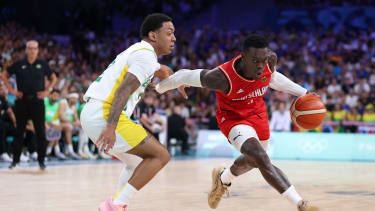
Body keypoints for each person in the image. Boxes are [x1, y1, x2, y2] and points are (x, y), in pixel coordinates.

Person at [156, 34, 319, 211]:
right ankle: (300, 203)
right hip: (233, 119)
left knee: (254, 159)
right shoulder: (220, 78)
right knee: (261, 158)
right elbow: (184, 76)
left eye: (262, 60)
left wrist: (304, 92)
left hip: (257, 114)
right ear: (243, 56)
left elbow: (272, 78)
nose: (260, 65)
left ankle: (223, 179)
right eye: (255, 60)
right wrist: (158, 88)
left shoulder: (269, 60)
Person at [80, 13, 185, 211]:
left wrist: (173, 77)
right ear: (153, 36)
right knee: (161, 155)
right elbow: (124, 90)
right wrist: (111, 127)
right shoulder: (145, 55)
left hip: (94, 111)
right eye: (169, 33)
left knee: (137, 162)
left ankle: (119, 205)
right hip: (105, 114)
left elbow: (160, 70)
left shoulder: (142, 53)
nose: (174, 38)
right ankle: (114, 205)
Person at [2, 40, 57, 170]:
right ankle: (15, 161)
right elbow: (4, 75)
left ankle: (41, 162)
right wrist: (12, 91)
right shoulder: (19, 64)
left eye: (35, 48)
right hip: (22, 101)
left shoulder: (42, 64)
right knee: (19, 132)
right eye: (30, 48)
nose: (32, 50)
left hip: (38, 101)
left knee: (41, 132)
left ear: (38, 50)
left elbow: (53, 78)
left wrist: (48, 91)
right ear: (26, 50)